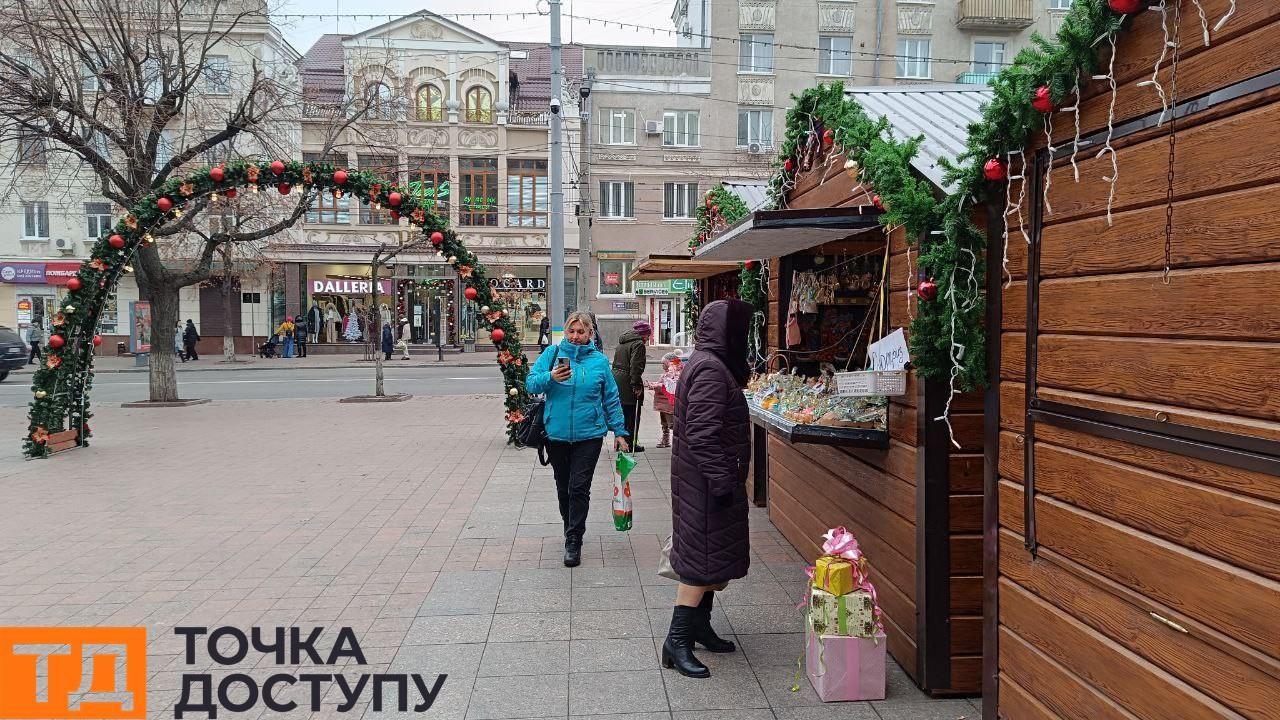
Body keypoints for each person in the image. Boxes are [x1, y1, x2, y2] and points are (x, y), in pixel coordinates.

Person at [662, 299, 753, 679]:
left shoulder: (705, 363)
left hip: (703, 479)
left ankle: (699, 627)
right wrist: (723, 481)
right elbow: (701, 435)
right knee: (699, 560)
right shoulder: (712, 370)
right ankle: (676, 641)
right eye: (741, 330)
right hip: (706, 482)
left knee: (711, 553)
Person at [526, 311, 630, 567]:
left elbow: (611, 398)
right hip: (557, 434)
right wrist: (550, 377)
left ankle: (574, 540)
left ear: (589, 334)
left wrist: (620, 431)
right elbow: (530, 384)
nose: (575, 336)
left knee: (579, 487)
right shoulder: (551, 355)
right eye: (572, 331)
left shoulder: (599, 362)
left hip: (590, 434)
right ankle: (569, 526)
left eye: (581, 331)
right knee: (563, 487)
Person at [612, 320, 651, 453]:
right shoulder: (638, 344)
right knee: (632, 414)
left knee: (621, 413)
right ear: (643, 334)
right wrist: (636, 385)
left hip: (617, 379)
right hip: (628, 381)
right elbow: (636, 366)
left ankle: (619, 442)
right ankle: (629, 444)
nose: (648, 338)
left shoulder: (622, 342)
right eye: (648, 335)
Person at [648, 350, 683, 448]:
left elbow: (668, 386)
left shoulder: (675, 372)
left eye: (663, 363)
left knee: (672, 424)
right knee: (664, 423)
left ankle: (681, 441)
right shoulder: (668, 372)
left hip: (668, 403)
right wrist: (654, 384)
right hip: (663, 403)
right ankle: (665, 440)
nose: (662, 365)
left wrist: (655, 385)